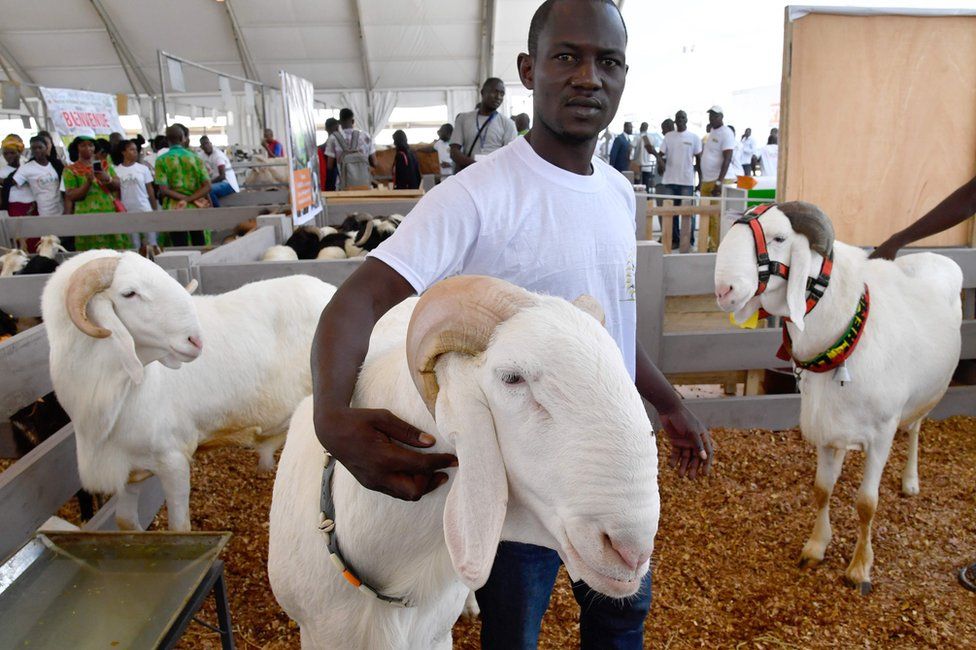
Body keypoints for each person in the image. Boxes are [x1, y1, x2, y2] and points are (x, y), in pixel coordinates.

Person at [309, 2, 713, 648]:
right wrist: (330, 416)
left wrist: (667, 403)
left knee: (621, 612)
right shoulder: (476, 197)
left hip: (606, 463)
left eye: (607, 62)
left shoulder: (616, 192)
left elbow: (608, 335)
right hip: (519, 484)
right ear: (529, 69)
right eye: (566, 57)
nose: (588, 77)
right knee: (513, 631)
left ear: (625, 76)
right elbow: (356, 300)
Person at [61, 135, 129, 250]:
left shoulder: (104, 165)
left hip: (108, 213)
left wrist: (106, 178)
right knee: (89, 254)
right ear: (76, 148)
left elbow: (117, 185)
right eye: (83, 145)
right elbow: (71, 195)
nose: (88, 148)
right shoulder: (70, 170)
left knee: (113, 252)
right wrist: (87, 183)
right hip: (85, 217)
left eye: (91, 145)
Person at [154, 125, 211, 246]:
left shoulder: (161, 160)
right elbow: (207, 186)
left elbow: (163, 189)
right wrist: (189, 199)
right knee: (198, 242)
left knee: (179, 245)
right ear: (183, 138)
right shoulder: (195, 158)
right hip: (196, 206)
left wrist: (182, 199)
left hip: (174, 208)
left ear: (167, 139)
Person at [450, 78, 517, 171]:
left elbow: (510, 155)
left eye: (502, 94)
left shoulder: (508, 124)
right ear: (482, 92)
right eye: (495, 92)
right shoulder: (463, 118)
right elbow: (454, 151)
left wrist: (486, 168)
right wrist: (476, 166)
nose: (498, 97)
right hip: (469, 174)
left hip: (495, 175)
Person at [11, 135, 63, 252]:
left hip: (61, 210)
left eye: (40, 147)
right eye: (34, 148)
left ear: (46, 148)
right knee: (49, 246)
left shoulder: (55, 164)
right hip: (44, 212)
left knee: (64, 244)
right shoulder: (27, 168)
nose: (37, 151)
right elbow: (12, 182)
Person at [659, 110, 702, 249]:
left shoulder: (694, 137)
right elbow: (660, 154)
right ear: (675, 121)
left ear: (687, 119)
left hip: (687, 182)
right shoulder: (668, 137)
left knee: (687, 212)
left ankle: (688, 241)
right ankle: (674, 240)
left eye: (683, 117)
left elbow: (699, 161)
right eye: (678, 118)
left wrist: (700, 181)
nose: (680, 120)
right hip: (669, 181)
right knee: (670, 213)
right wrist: (661, 164)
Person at [699, 106, 735, 251]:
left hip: (718, 181)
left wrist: (719, 181)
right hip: (707, 180)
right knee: (706, 214)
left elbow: (727, 158)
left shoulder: (726, 133)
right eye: (710, 116)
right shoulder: (713, 131)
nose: (711, 119)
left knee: (715, 216)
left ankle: (715, 247)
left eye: (714, 116)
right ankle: (708, 242)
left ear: (721, 117)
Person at [116, 139, 159, 252]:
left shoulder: (143, 169)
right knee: (133, 244)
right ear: (123, 152)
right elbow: (117, 193)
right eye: (131, 149)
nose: (135, 152)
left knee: (151, 241)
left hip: (144, 208)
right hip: (127, 210)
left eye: (136, 150)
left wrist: (154, 208)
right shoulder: (117, 171)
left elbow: (150, 190)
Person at [324, 108, 376, 190]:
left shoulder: (333, 138)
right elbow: (375, 162)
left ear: (340, 122)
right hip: (365, 185)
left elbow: (330, 166)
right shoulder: (366, 136)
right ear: (353, 121)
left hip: (344, 186)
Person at [198, 136, 239, 207]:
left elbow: (222, 176)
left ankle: (217, 211)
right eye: (204, 144)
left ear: (211, 143)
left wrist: (208, 183)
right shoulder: (201, 156)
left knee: (209, 190)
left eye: (207, 143)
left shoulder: (218, 155)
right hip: (216, 184)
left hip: (228, 183)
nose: (206, 146)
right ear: (201, 147)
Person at [636, 121, 662, 189]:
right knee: (646, 185)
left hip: (639, 165)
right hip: (647, 166)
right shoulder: (651, 138)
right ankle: (647, 199)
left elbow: (634, 151)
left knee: (638, 186)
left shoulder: (638, 137)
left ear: (641, 127)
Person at [318, 117, 340, 191]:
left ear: (326, 129)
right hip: (334, 178)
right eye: (336, 129)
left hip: (326, 180)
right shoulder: (340, 145)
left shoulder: (320, 148)